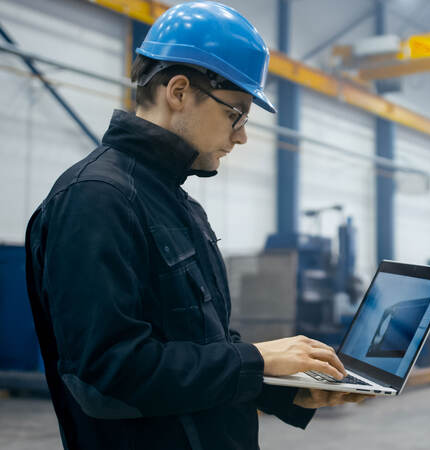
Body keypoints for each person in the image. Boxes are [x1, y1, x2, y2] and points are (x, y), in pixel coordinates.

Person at [24, 2, 369, 449]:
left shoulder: (177, 203)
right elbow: (109, 374)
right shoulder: (95, 200)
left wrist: (288, 391)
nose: (242, 135)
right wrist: (257, 360)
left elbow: (203, 348)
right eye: (236, 114)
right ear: (180, 92)